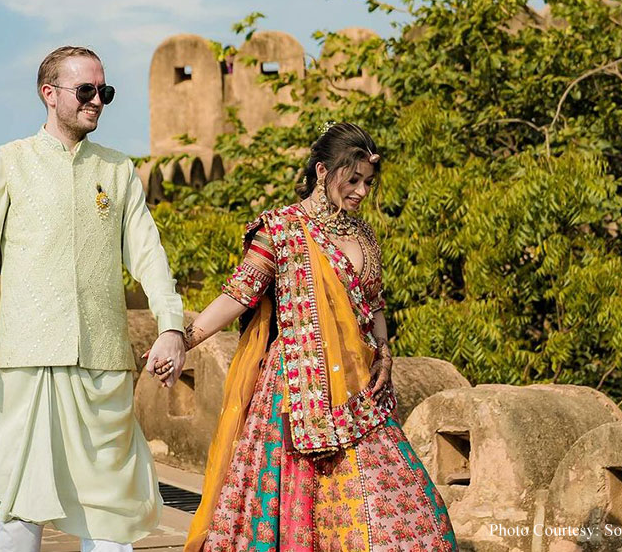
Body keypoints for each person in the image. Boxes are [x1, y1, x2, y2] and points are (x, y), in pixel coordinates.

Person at [161, 122, 458, 552]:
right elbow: (238, 295)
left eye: (368, 183)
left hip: (362, 391)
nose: (361, 192)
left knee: (414, 517)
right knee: (293, 508)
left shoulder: (363, 234)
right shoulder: (282, 229)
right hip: (295, 393)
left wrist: (386, 353)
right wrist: (181, 340)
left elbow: (374, 302)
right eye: (352, 180)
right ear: (322, 171)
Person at [0, 45, 187, 552]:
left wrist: (170, 325)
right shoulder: (9, 163)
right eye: (86, 91)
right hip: (26, 362)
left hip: (102, 362)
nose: (97, 100)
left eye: (105, 91)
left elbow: (148, 255)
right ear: (48, 94)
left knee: (111, 511)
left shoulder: (119, 171)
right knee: (20, 506)